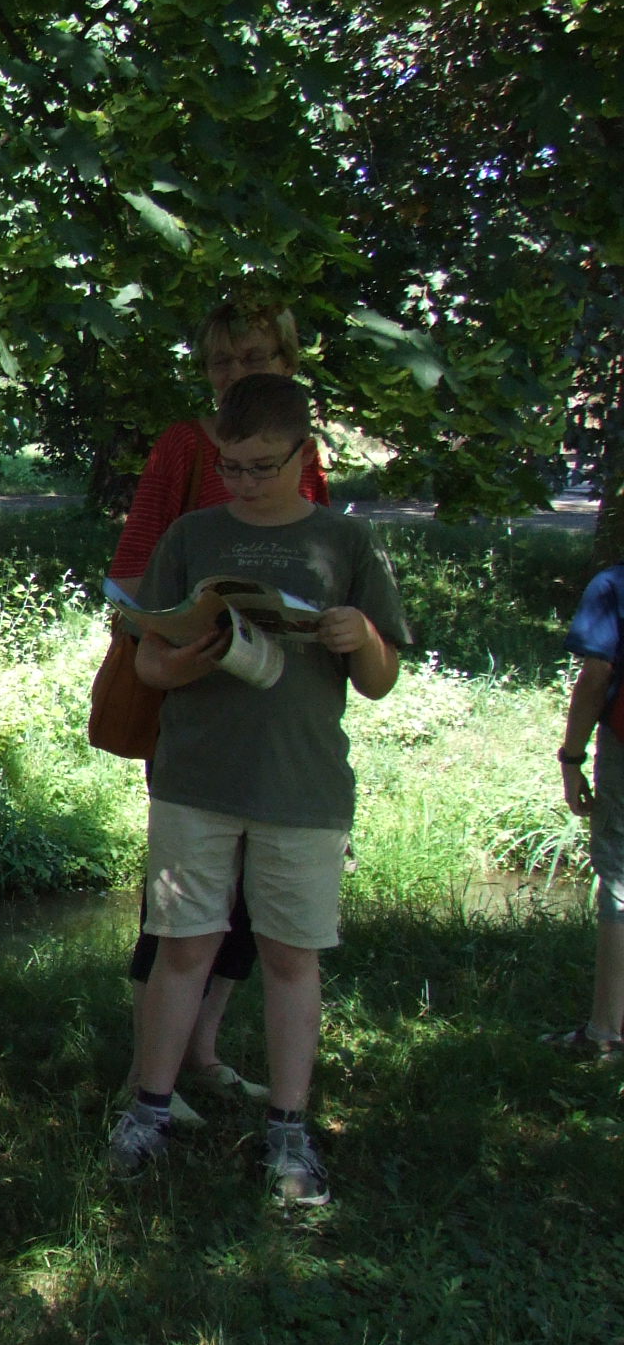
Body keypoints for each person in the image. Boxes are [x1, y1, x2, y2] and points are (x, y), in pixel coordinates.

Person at [110, 372, 408, 1205]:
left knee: (289, 956)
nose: (243, 482)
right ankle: (148, 1111)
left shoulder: (345, 544)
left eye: (262, 466)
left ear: (304, 454)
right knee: (183, 945)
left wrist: (362, 636)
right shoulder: (193, 536)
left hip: (301, 785)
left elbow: (380, 680)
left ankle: (289, 1131)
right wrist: (183, 657)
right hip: (196, 778)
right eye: (232, 466)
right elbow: (149, 663)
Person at [108, 303, 333, 1124]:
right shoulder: (184, 445)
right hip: (194, 702)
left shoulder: (303, 456)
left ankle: (201, 1053)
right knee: (182, 896)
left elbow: (322, 568)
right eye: (221, 362)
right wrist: (175, 635)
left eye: (253, 357)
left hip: (280, 717)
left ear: (286, 361)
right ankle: (151, 1076)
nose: (236, 374)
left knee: (253, 901)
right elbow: (133, 572)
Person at [549, 561, 624, 1058]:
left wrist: (571, 758)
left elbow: (597, 675)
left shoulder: (615, 584)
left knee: (619, 879)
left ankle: (606, 1033)